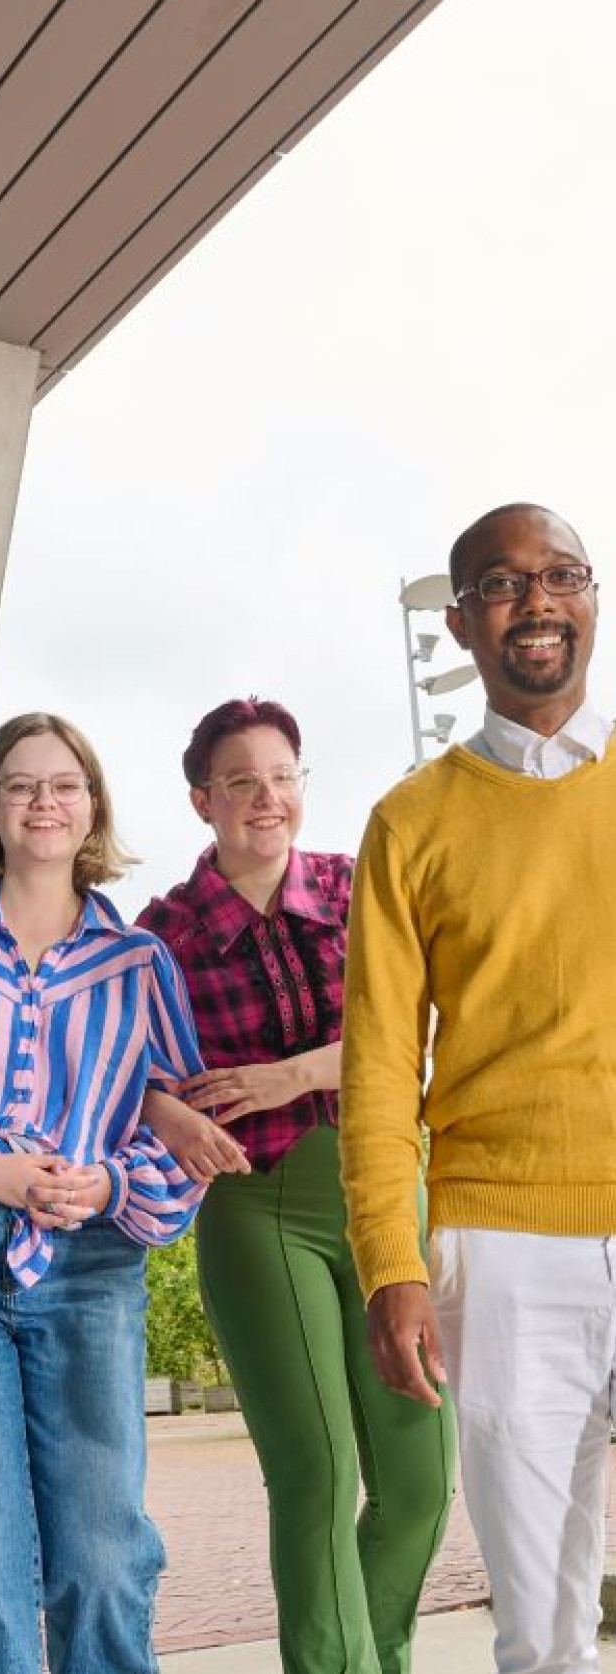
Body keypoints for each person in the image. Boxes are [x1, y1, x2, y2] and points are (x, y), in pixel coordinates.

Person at [0, 711, 204, 1674]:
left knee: (102, 1553)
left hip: (90, 1264)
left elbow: (175, 1127)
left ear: (92, 806)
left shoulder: (142, 965)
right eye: (21, 785)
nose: (44, 801)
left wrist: (106, 1186)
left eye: (64, 784)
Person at [340, 503, 616, 1674]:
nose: (539, 602)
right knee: (544, 1625)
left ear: (593, 599)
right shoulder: (411, 823)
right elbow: (377, 1066)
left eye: (562, 575)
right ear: (462, 623)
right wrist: (392, 1264)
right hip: (500, 1243)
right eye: (504, 585)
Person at [136, 698, 454, 1674]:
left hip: (386, 1193)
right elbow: (110, 1067)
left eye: (282, 776)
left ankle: (379, 1657)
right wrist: (168, 1113)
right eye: (241, 781)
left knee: (420, 1481)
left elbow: (426, 1031)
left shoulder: (362, 889)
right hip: (256, 1205)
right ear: (203, 800)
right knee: (317, 1473)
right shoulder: (163, 932)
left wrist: (295, 1073)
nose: (266, 798)